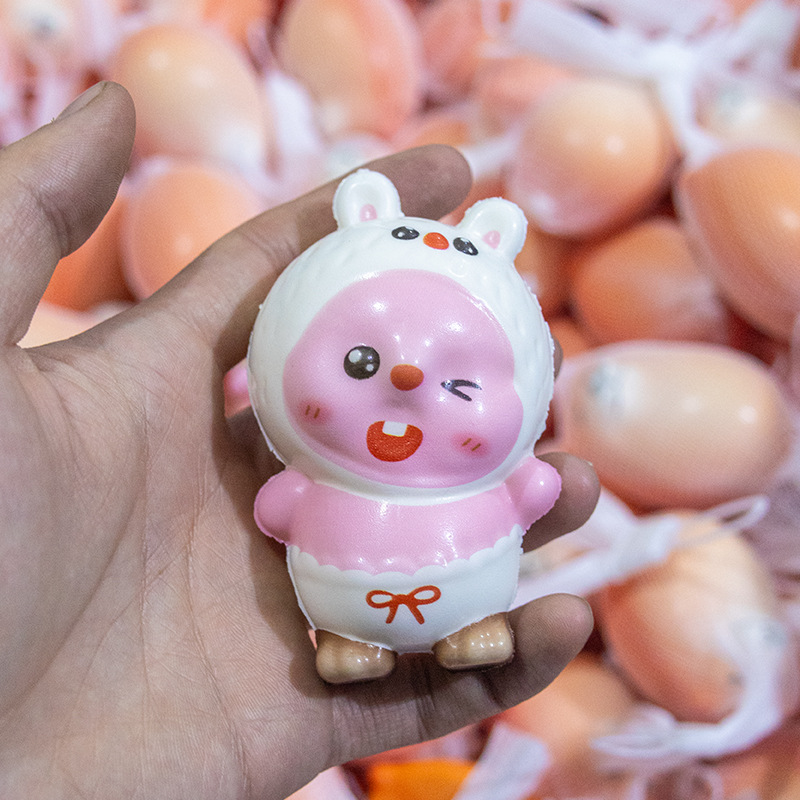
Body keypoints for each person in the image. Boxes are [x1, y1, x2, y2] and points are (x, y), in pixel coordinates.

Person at [0, 82, 599, 799]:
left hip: (467, 564)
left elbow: (530, 486)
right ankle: (350, 638)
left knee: (496, 598)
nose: (406, 379)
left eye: (461, 386)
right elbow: (276, 508)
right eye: (359, 364)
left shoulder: (483, 466)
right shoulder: (311, 456)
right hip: (339, 574)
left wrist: (525, 487)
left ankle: (469, 627)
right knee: (358, 625)